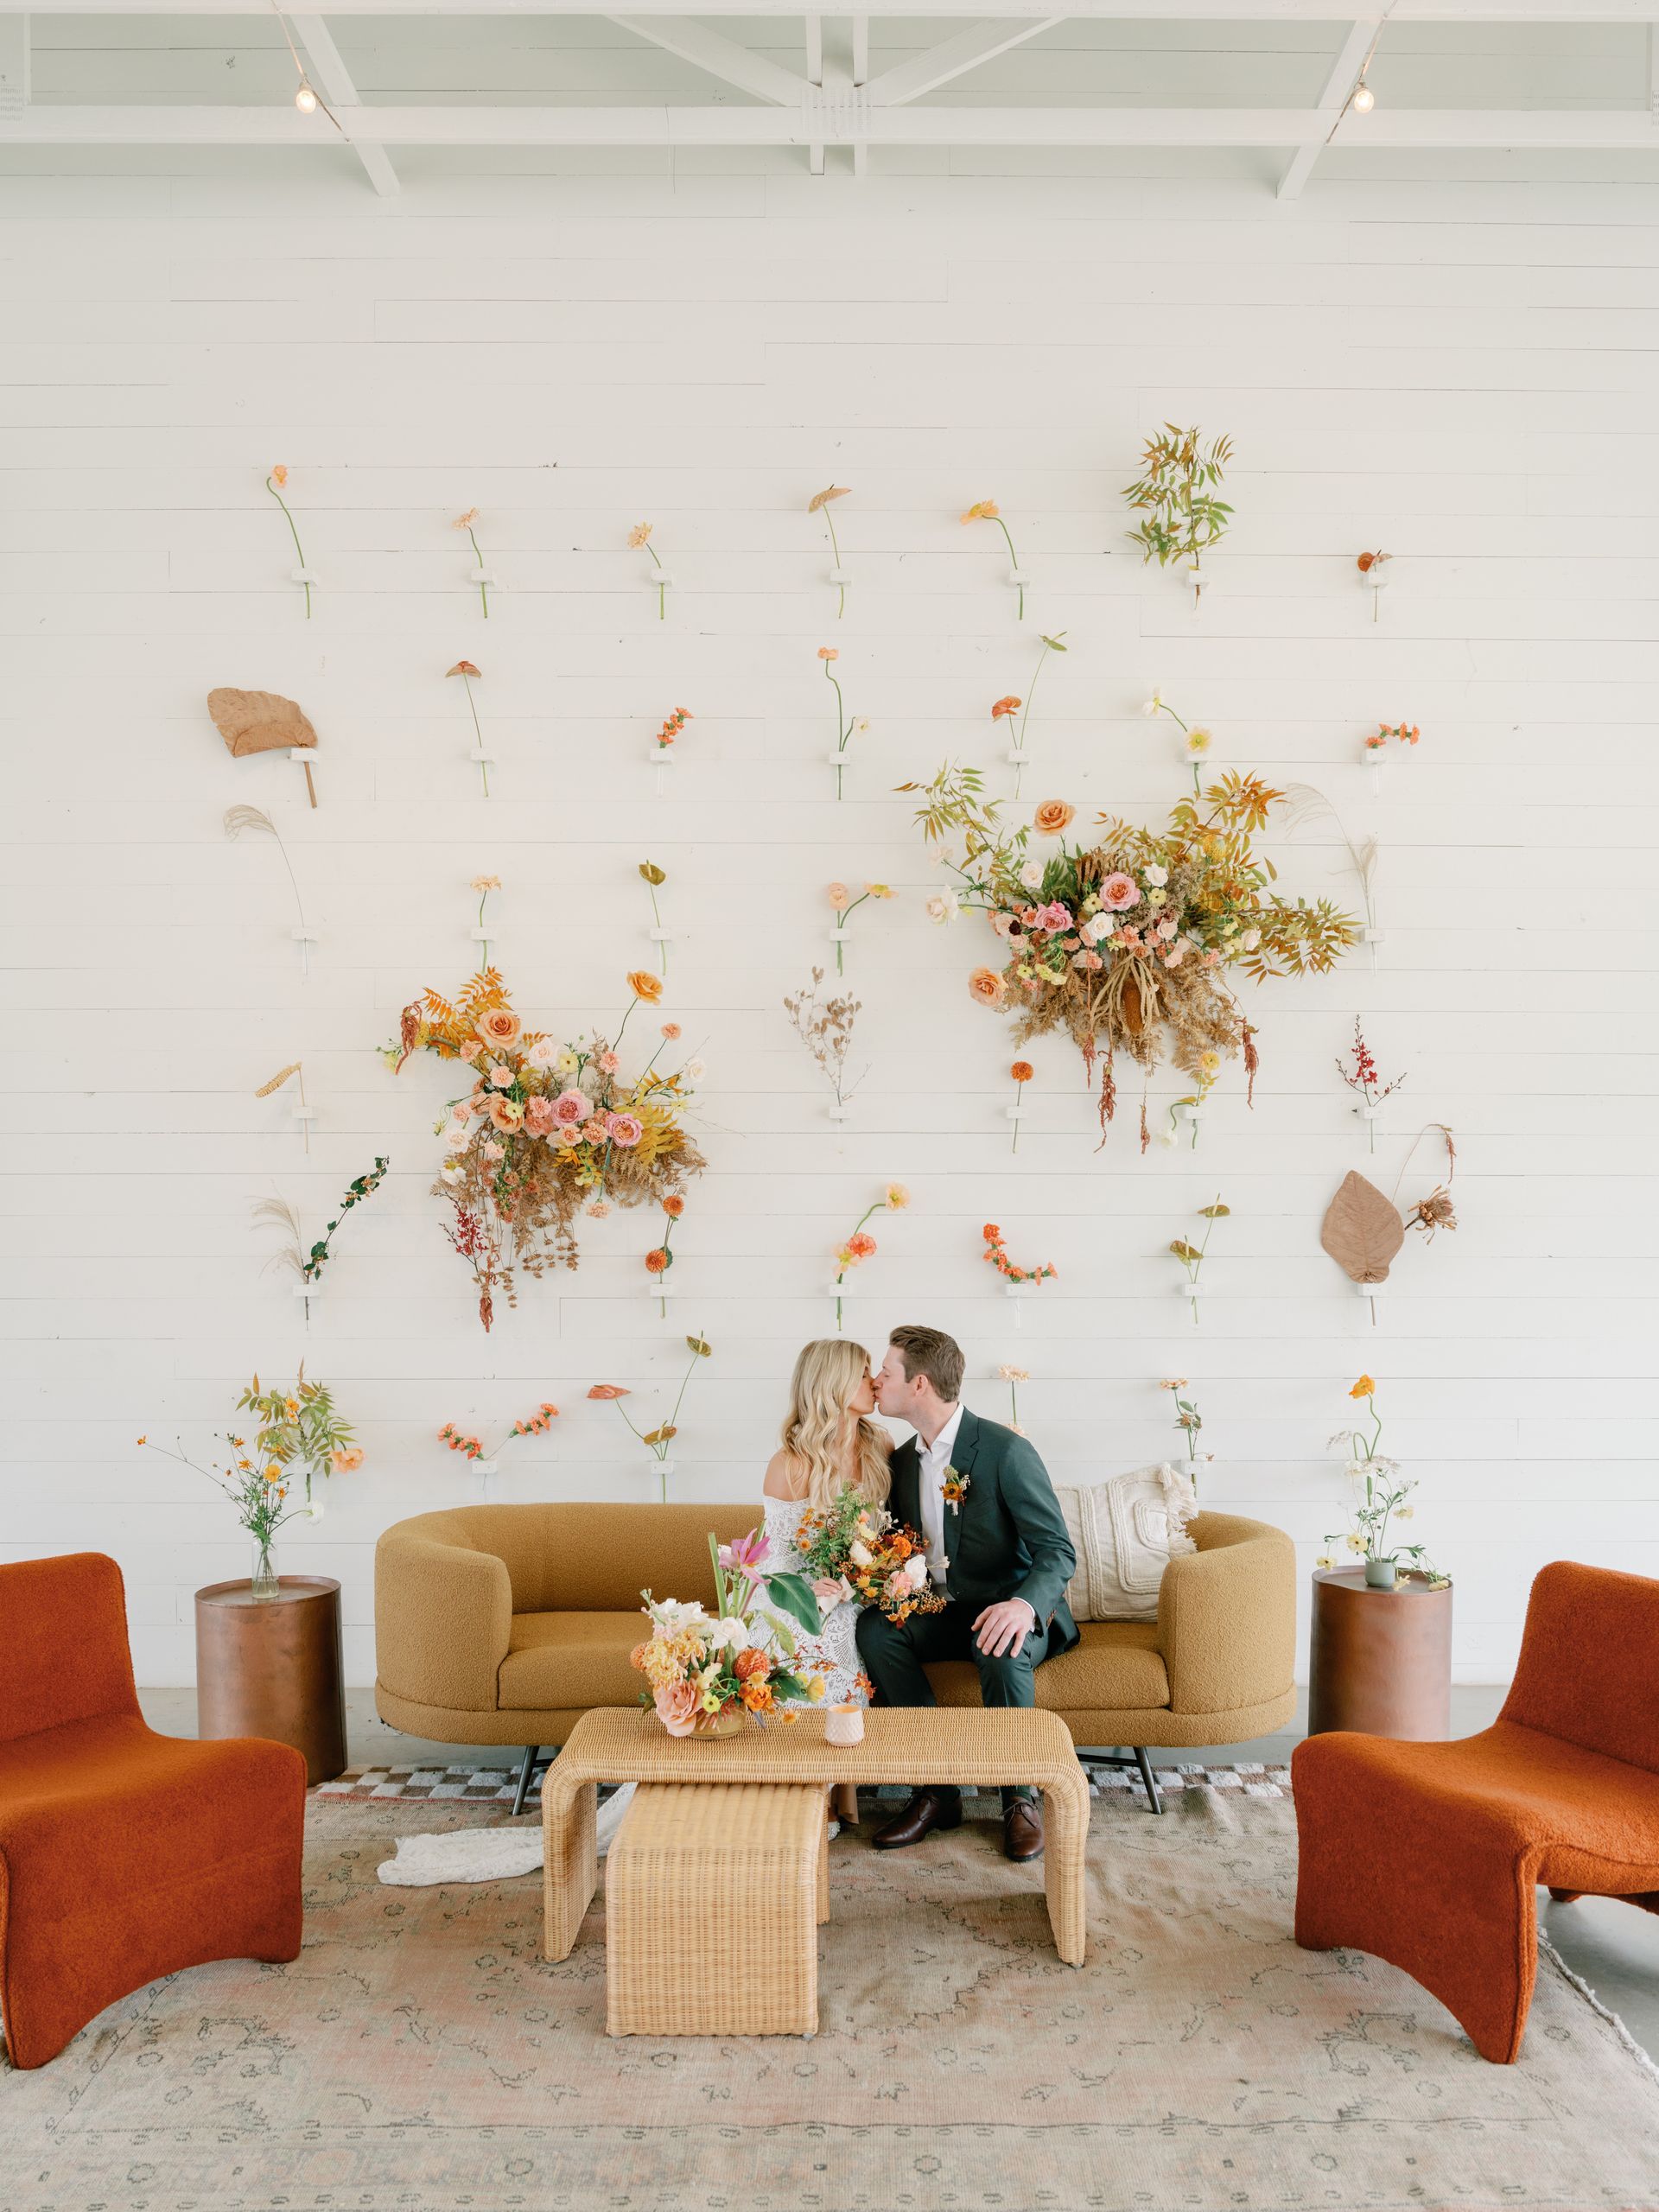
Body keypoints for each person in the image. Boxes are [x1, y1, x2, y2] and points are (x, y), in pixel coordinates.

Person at [857, 1322, 1077, 1864]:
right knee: (876, 1631)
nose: (876, 1380)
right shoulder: (903, 1461)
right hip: (941, 1608)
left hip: (1011, 1608)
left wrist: (1024, 1605)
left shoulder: (1004, 1450)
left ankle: (1019, 1800)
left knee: (998, 1645)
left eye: (885, 1373)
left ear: (920, 1385)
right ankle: (938, 1791)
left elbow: (1057, 1550)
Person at [760, 1337, 893, 1826]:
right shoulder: (790, 1463)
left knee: (848, 1624)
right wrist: (815, 1586)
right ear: (834, 1384)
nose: (874, 1381)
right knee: (808, 1624)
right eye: (862, 1373)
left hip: (864, 1584)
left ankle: (842, 1788)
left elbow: (891, 1536)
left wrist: (857, 1581)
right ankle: (804, 1784)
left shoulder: (881, 1446)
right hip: (799, 1584)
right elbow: (780, 1556)